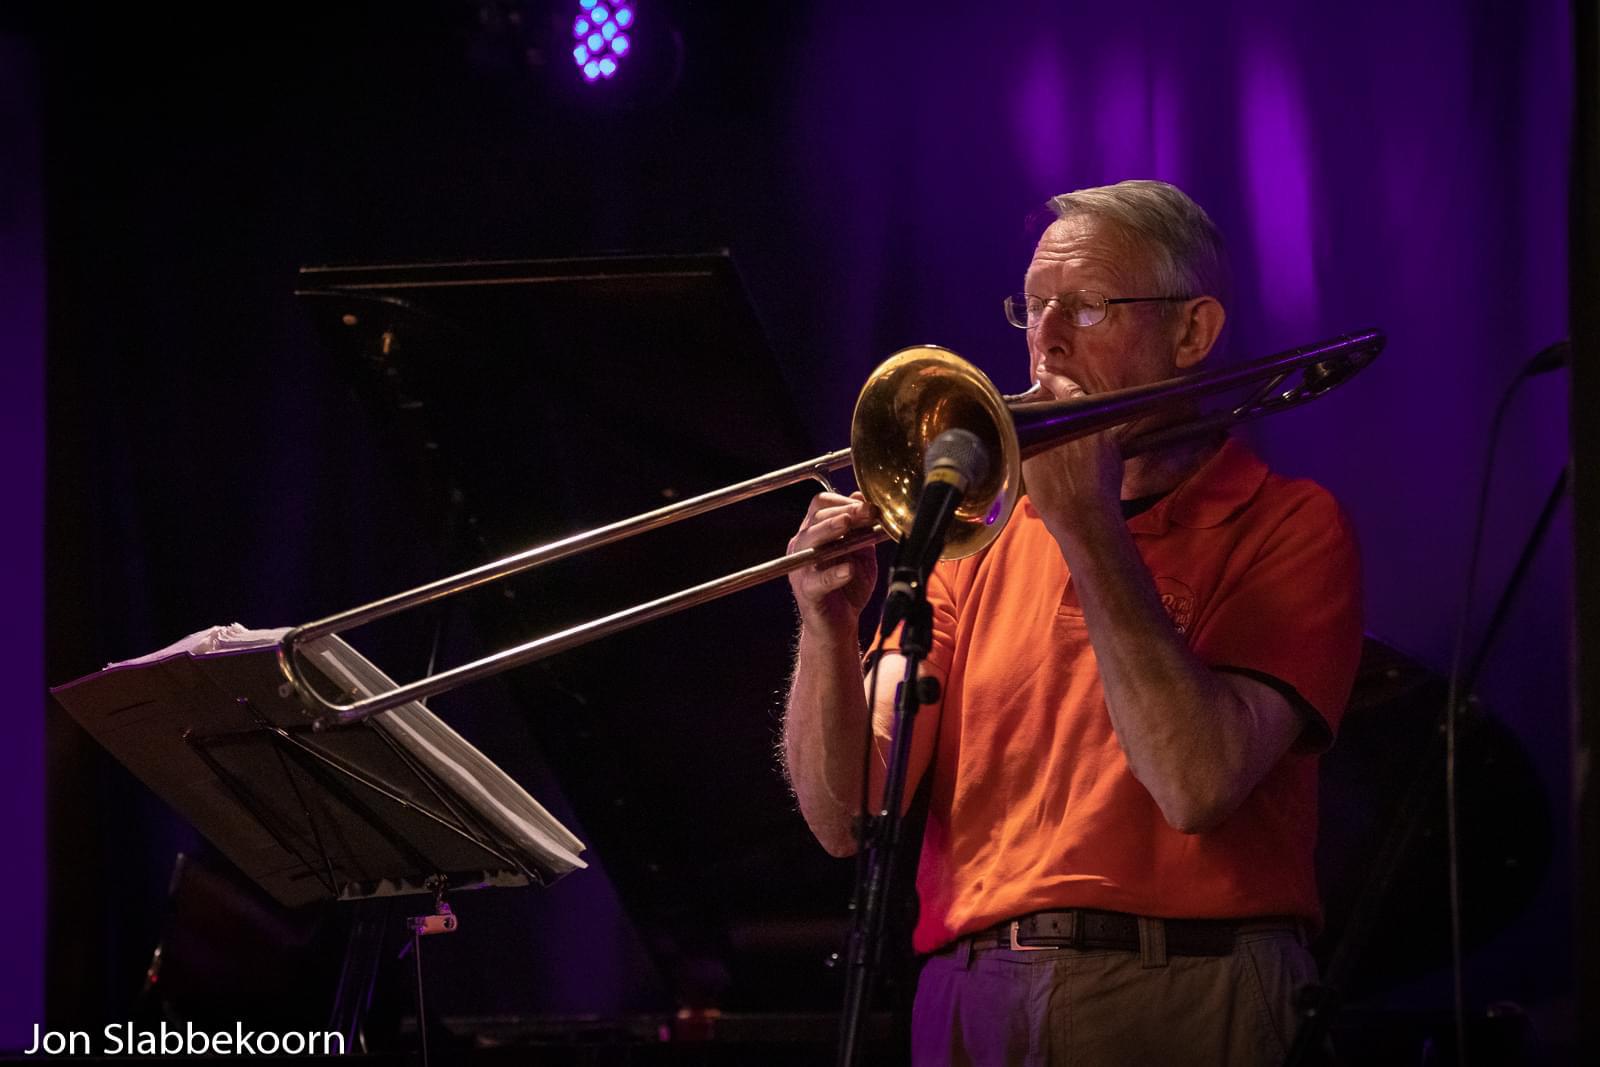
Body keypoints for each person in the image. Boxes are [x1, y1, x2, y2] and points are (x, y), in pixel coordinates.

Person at [780, 179, 1362, 1065]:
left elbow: (1195, 781)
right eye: (1033, 307)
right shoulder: (977, 533)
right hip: (974, 993)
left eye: (1087, 307)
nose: (1046, 339)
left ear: (1192, 333)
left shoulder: (1290, 524)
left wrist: (1088, 523)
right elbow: (845, 816)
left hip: (1187, 990)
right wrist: (826, 628)